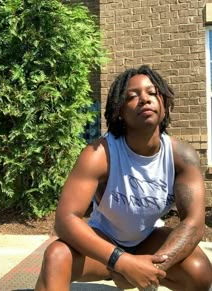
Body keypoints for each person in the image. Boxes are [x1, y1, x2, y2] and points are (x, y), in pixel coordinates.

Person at [35, 65, 212, 291]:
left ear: (164, 105)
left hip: (148, 239)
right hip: (103, 242)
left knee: (199, 272)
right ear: (119, 111)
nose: (144, 99)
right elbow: (66, 219)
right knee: (56, 257)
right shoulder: (99, 154)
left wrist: (150, 270)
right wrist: (122, 262)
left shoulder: (182, 158)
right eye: (132, 96)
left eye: (152, 93)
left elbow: (194, 224)